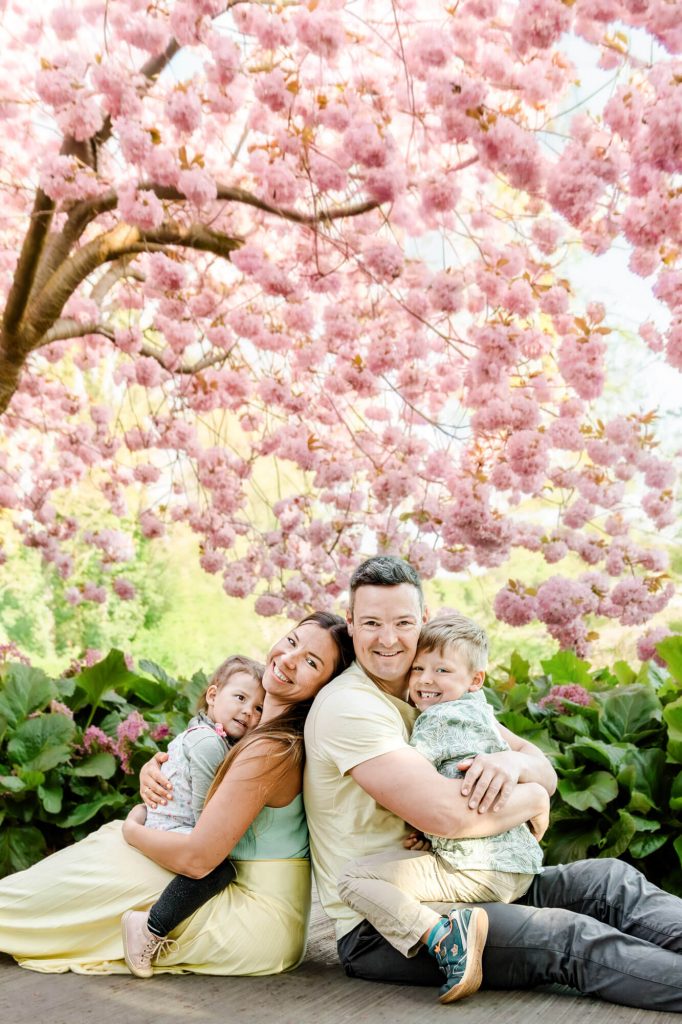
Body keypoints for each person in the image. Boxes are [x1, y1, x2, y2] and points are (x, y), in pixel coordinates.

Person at [303, 555, 682, 1011]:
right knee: (568, 937)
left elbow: (539, 763)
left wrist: (510, 763)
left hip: (469, 873)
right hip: (390, 921)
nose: (388, 639)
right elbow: (448, 816)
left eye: (402, 622)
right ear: (351, 624)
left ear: (423, 621)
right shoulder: (351, 706)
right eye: (371, 623)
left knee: (609, 880)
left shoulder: (427, 687)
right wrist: (533, 797)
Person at [0, 612, 354, 977]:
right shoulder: (254, 733)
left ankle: (13, 916)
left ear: (324, 685)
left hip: (253, 915)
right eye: (292, 641)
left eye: (312, 662)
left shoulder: (272, 749)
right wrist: (158, 771)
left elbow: (199, 859)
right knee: (107, 853)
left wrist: (134, 830)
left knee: (115, 851)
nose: (290, 659)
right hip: (233, 885)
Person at [337, 612, 546, 1002]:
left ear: (474, 679)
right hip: (520, 863)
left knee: (355, 879)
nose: (425, 680)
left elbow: (413, 785)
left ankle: (447, 938)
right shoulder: (479, 708)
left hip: (478, 869)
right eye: (418, 668)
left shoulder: (435, 721)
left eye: (442, 670)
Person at [121, 654, 265, 977]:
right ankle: (149, 928)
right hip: (173, 828)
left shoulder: (205, 732)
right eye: (240, 698)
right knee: (219, 870)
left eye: (258, 708)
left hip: (169, 821)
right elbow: (207, 818)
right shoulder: (210, 744)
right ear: (213, 696)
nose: (248, 711)